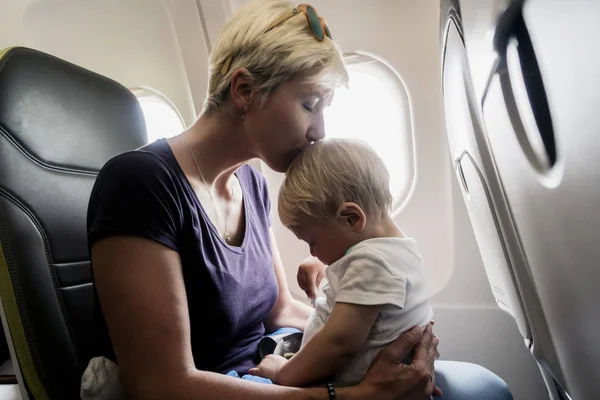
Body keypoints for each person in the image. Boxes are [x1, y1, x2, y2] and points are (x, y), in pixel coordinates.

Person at [82, 0, 513, 399]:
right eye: (310, 104)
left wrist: (380, 337)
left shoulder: (249, 182)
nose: (320, 131)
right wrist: (356, 396)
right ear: (245, 90)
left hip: (277, 372)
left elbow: (279, 309)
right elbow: (163, 385)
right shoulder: (139, 184)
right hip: (232, 389)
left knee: (486, 386)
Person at [248, 139, 433, 388]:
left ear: (352, 218)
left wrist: (282, 373)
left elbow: (339, 345)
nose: (312, 252)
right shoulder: (398, 251)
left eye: (313, 241)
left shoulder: (372, 263)